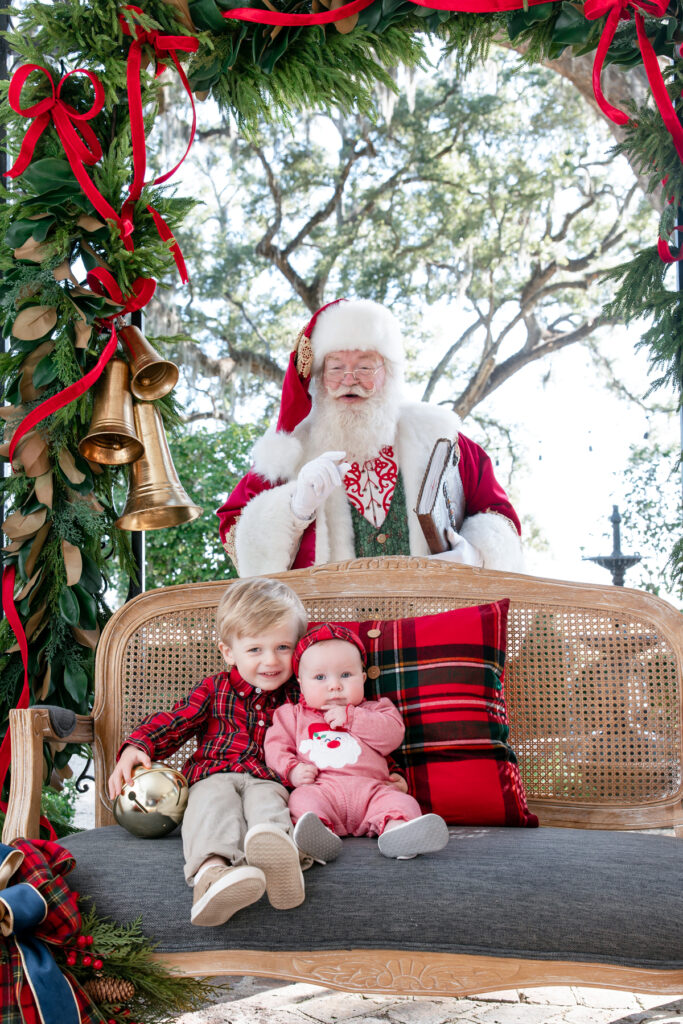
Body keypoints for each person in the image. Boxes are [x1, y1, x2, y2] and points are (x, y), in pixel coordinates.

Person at [217, 297, 524, 577]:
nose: (350, 380)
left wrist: (477, 553)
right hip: (333, 631)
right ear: (319, 379)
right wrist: (293, 510)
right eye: (336, 368)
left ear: (388, 374)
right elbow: (235, 532)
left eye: (365, 367)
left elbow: (498, 516)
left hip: (431, 625)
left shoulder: (439, 438)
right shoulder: (290, 453)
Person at [107, 577, 310, 928]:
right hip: (213, 775)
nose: (270, 660)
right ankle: (212, 876)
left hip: (270, 778)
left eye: (283, 647)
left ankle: (281, 866)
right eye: (255, 650)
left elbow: (334, 739)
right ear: (229, 652)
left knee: (269, 810)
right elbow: (176, 721)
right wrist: (138, 745)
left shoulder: (302, 695)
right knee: (210, 808)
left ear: (299, 648)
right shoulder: (216, 688)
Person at [264, 623, 449, 861]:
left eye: (346, 675)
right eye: (320, 677)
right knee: (301, 801)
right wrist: (292, 770)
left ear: (362, 678)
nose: (335, 685)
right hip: (322, 790)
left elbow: (392, 737)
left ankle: (397, 833)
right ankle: (320, 835)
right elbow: (275, 747)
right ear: (300, 683)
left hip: (372, 791)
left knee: (403, 802)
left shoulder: (377, 709)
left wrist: (353, 718)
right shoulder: (292, 715)